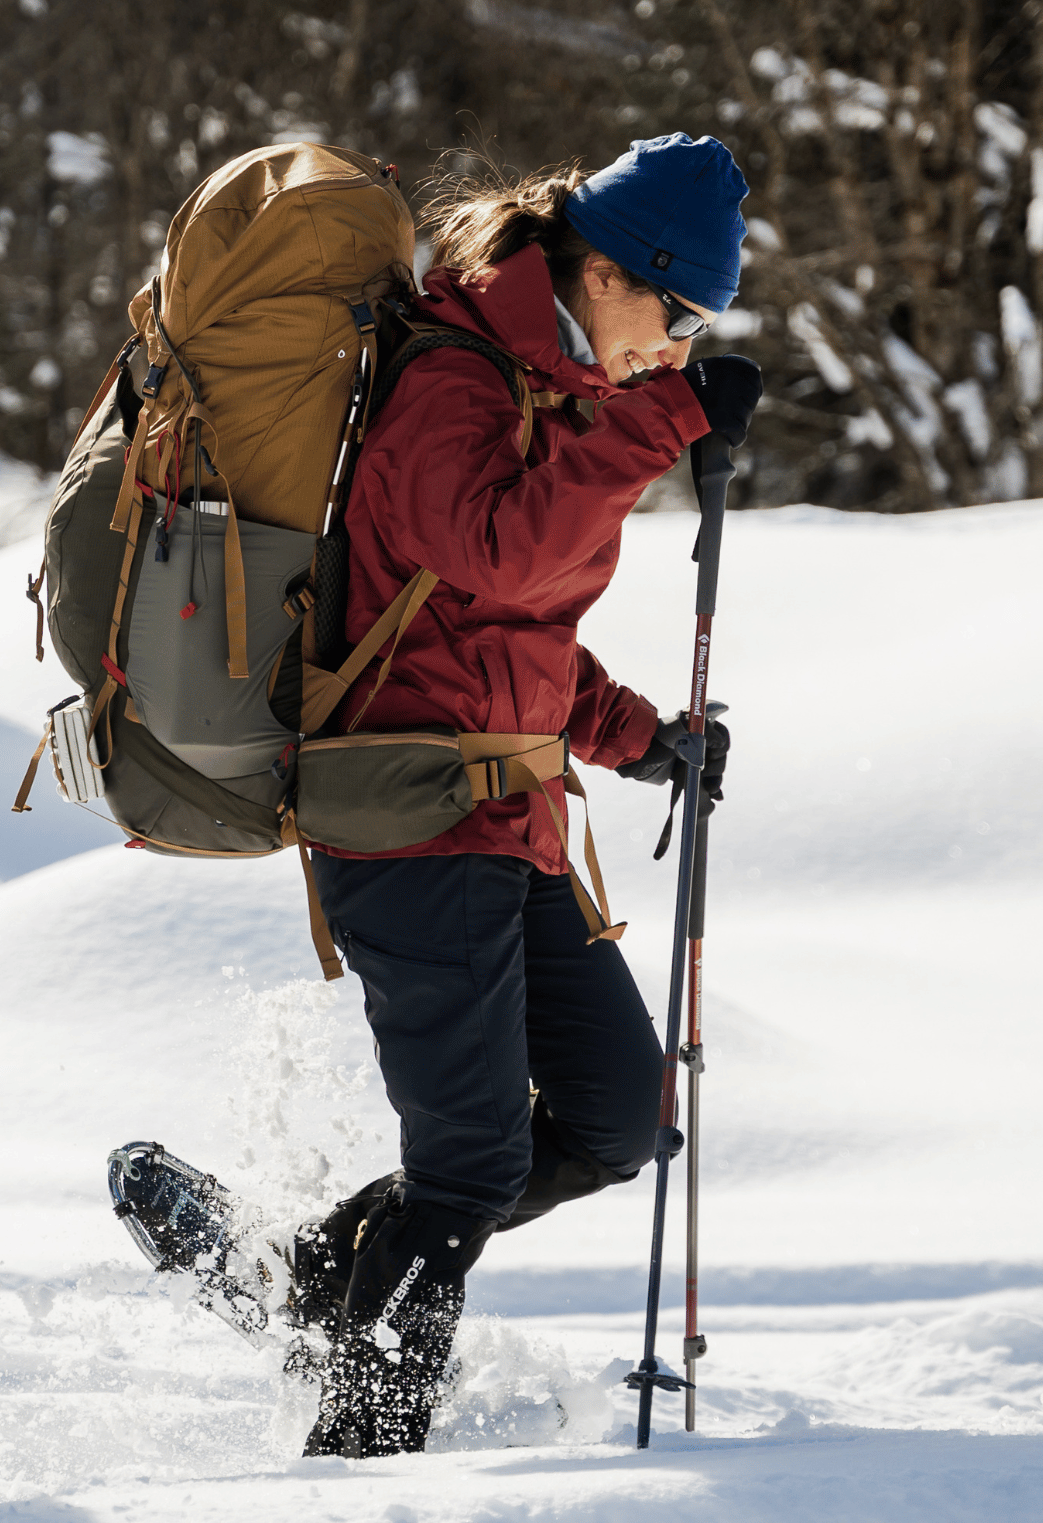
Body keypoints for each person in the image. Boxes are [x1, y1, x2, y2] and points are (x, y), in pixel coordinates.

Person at [294, 134, 764, 1456]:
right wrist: (661, 425)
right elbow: (495, 553)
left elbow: (512, 630)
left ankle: (324, 1272)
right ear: (603, 271)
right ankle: (363, 1458)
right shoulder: (449, 373)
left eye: (697, 328)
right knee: (472, 1168)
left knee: (621, 1114)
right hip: (405, 817)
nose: (676, 346)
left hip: (505, 815)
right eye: (676, 314)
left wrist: (638, 738)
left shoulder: (541, 384)